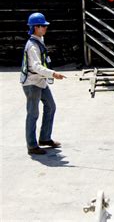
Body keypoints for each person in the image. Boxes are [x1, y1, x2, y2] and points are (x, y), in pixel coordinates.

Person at [20, 12, 66, 155]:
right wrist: (53, 74)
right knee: (33, 113)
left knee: (51, 106)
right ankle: (32, 146)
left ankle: (45, 138)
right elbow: (36, 67)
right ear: (35, 27)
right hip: (32, 82)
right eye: (43, 26)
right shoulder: (33, 46)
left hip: (40, 81)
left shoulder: (39, 40)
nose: (45, 28)